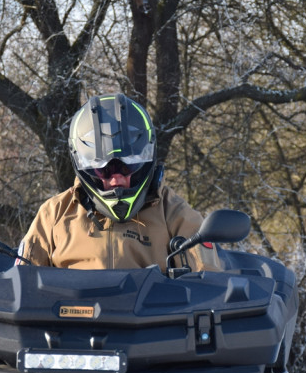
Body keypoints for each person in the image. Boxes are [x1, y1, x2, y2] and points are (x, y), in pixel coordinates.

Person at [18, 93, 221, 272]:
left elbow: (209, 283)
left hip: (154, 306)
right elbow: (22, 283)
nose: (116, 179)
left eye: (128, 166)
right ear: (84, 166)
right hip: (71, 305)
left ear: (146, 159)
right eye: (104, 169)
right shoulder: (54, 214)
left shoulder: (174, 213)